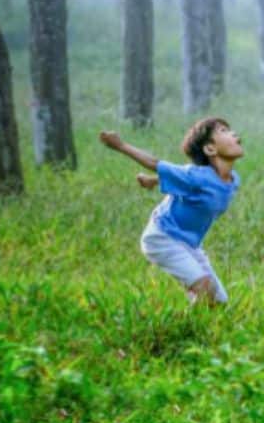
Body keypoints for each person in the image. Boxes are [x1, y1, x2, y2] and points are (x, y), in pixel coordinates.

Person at [98, 118, 243, 304]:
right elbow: (155, 163)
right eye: (223, 131)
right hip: (162, 237)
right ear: (210, 149)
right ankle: (184, 330)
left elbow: (183, 180)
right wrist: (120, 145)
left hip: (189, 245)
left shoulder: (233, 180)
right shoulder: (196, 176)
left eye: (231, 130)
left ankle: (194, 326)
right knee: (205, 290)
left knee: (219, 301)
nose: (234, 134)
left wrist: (152, 181)